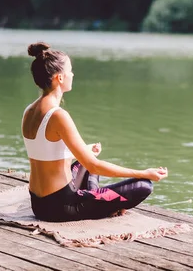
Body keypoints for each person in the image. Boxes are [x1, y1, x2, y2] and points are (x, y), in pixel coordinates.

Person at [22, 42, 168, 222]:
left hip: (38, 204)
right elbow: (94, 167)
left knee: (86, 162)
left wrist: (85, 151)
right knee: (143, 186)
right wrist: (144, 173)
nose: (73, 74)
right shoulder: (58, 115)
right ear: (59, 78)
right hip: (61, 207)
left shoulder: (29, 111)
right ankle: (102, 203)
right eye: (70, 70)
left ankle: (98, 199)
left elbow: (46, 155)